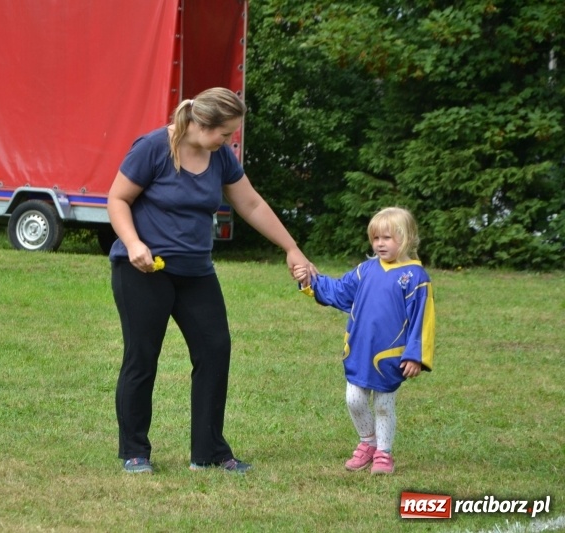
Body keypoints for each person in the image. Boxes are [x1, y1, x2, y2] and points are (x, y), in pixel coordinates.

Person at [107, 87, 317, 474]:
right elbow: (117, 199)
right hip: (143, 270)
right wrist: (133, 242)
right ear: (202, 124)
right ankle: (134, 451)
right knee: (142, 358)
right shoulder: (153, 147)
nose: (228, 141)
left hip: (196, 271)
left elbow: (251, 203)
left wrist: (292, 248)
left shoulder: (220, 157)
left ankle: (208, 452)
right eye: (225, 134)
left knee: (215, 350)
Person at [294, 207, 435, 475]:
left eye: (387, 238)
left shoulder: (415, 278)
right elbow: (339, 291)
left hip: (391, 355)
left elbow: (422, 320)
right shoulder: (366, 270)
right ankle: (367, 442)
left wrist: (415, 355)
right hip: (359, 349)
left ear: (406, 238)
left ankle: (384, 453)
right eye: (376, 238)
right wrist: (310, 281)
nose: (380, 244)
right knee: (354, 400)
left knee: (383, 404)